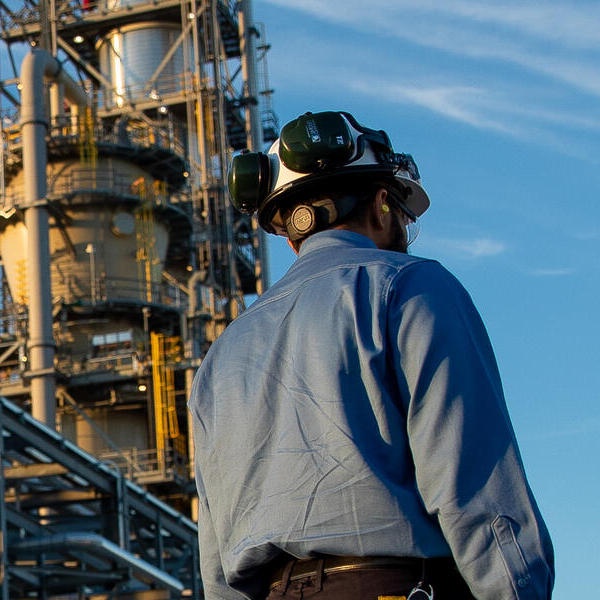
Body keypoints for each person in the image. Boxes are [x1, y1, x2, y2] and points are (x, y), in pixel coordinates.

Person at [191, 111, 552, 600]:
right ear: (383, 204)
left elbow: (217, 564)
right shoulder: (411, 288)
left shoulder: (222, 356)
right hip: (393, 587)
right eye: (402, 213)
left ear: (289, 232)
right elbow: (476, 493)